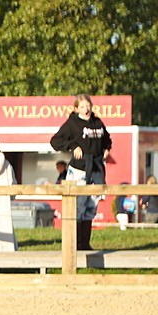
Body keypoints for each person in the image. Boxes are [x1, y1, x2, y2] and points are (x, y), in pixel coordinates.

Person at [50, 93, 112, 250]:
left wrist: (106, 149)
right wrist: (72, 146)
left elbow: (107, 139)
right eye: (83, 106)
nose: (87, 109)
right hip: (79, 170)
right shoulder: (72, 124)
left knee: (91, 206)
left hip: (96, 169)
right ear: (76, 109)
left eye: (88, 105)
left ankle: (85, 243)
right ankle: (73, 244)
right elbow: (55, 141)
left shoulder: (97, 122)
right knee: (78, 206)